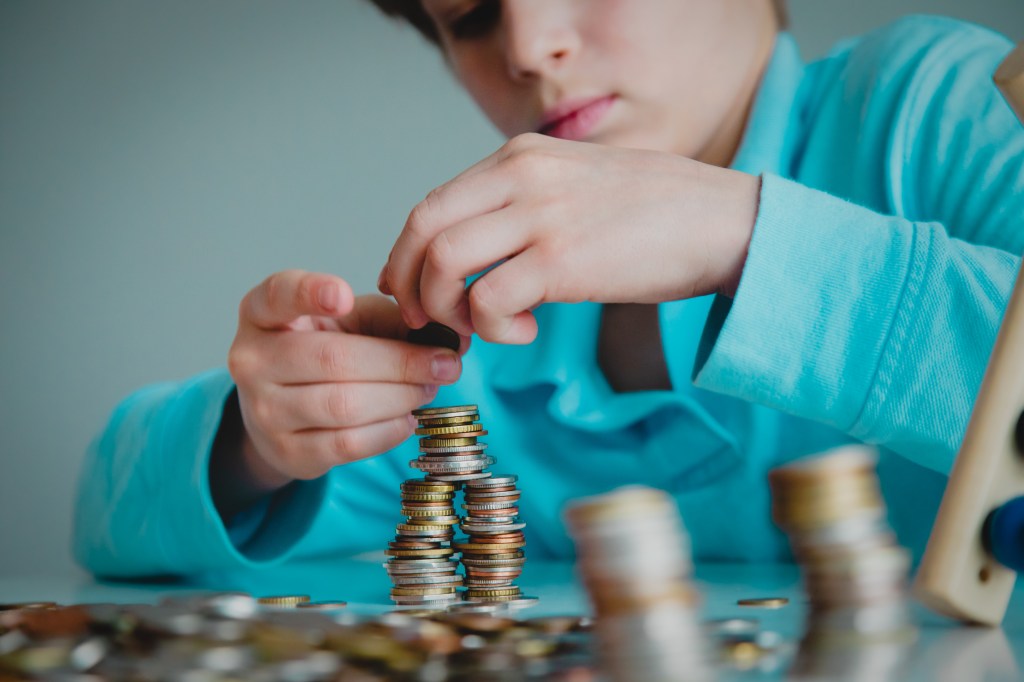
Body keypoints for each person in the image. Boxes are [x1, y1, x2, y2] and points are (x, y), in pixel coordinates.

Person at [74, 0, 1024, 578]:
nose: (527, 44)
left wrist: (745, 235)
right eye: (470, 13)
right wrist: (261, 435)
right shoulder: (484, 342)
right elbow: (108, 509)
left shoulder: (934, 107)